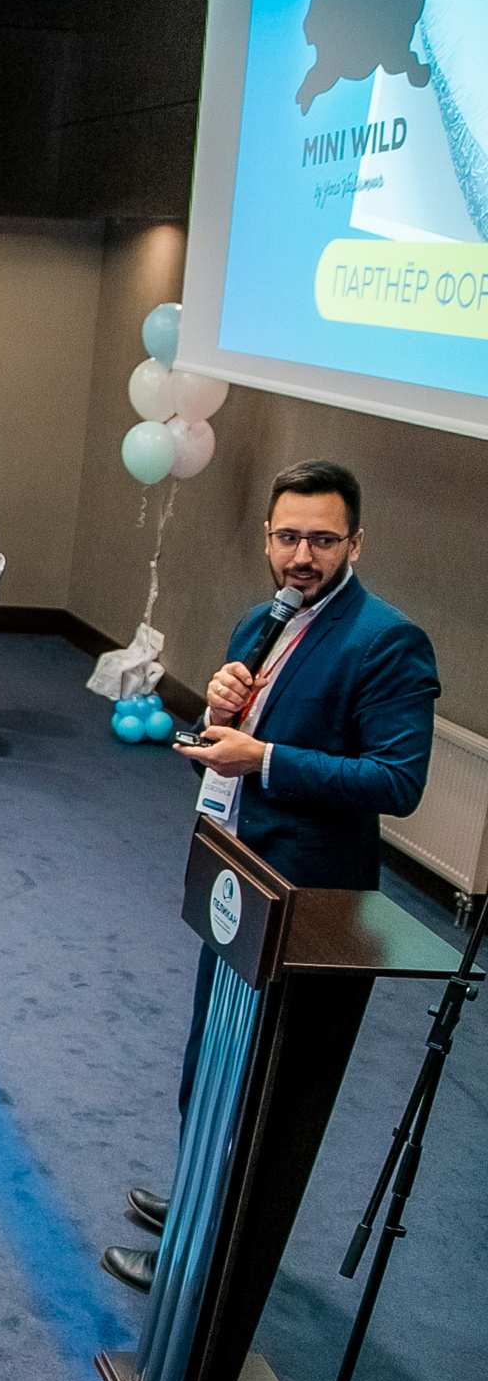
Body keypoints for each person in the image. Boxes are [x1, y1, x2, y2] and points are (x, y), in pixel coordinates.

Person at [105, 460, 439, 1295]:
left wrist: (268, 756)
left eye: (323, 539)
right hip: (237, 880)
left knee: (259, 1092)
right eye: (288, 535)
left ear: (354, 542)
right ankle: (195, 1204)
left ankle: (205, 1262)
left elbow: (396, 781)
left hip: (307, 906)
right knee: (212, 1061)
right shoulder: (265, 619)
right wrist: (219, 719)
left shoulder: (386, 640)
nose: (303, 554)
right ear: (267, 536)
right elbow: (223, 757)